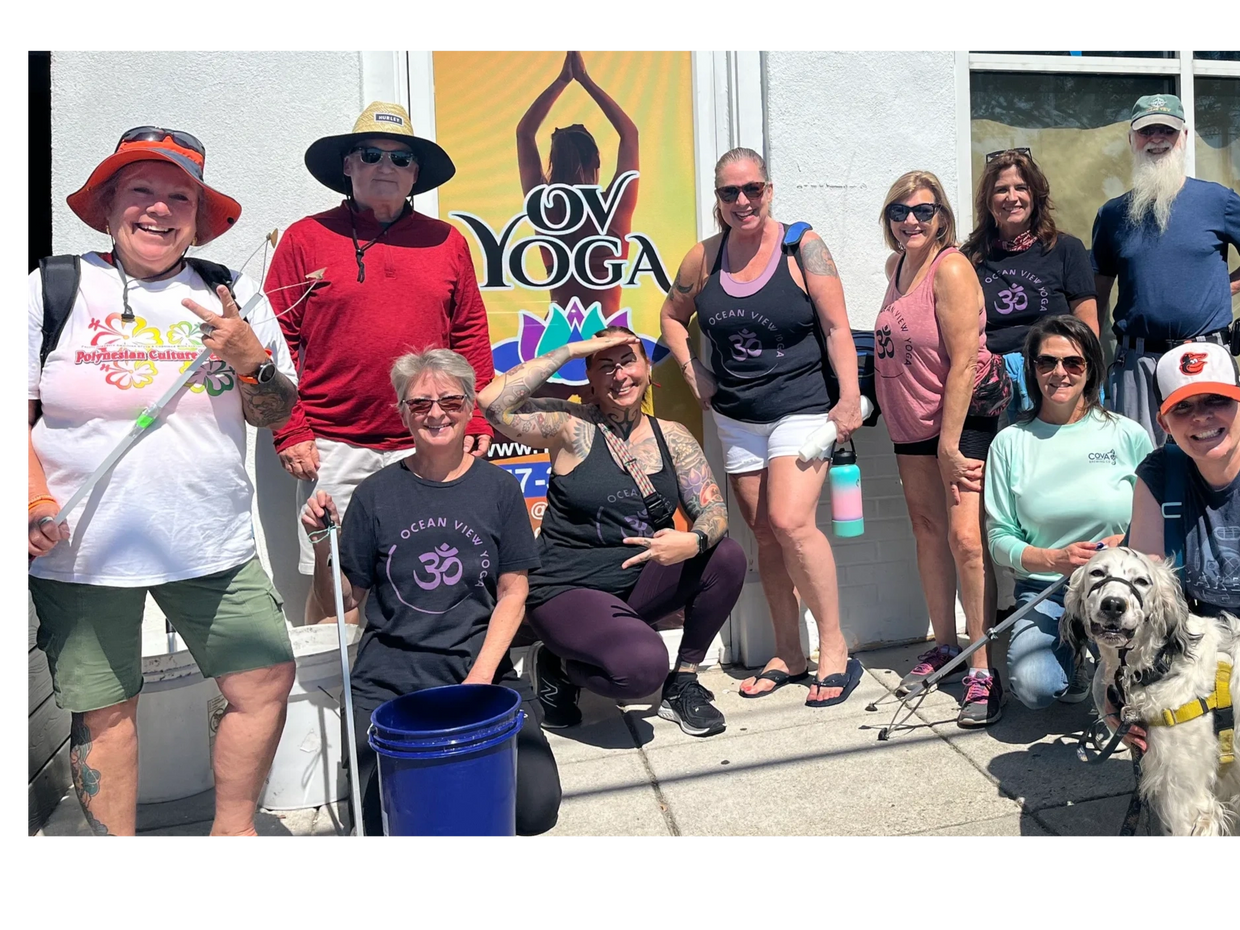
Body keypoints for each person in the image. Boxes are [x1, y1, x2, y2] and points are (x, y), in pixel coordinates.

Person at [25, 127, 299, 839]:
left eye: (179, 195)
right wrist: (33, 501)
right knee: (106, 711)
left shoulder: (230, 292)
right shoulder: (54, 288)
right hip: (80, 547)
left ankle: (231, 831)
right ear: (109, 205)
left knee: (264, 680)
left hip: (210, 539)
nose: (158, 209)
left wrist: (250, 358)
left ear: (198, 216)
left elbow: (273, 411)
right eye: (140, 190)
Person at [301, 350, 561, 839]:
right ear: (402, 412)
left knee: (535, 807)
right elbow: (345, 602)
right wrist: (321, 547)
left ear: (469, 409)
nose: (436, 414)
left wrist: (481, 681)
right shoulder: (374, 495)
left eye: (450, 401)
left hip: (477, 668)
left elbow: (513, 592)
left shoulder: (500, 489)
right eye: (420, 404)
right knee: (382, 822)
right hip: (389, 680)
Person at [267, 102, 495, 625]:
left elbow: (469, 335)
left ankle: (412, 695)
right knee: (338, 589)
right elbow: (272, 345)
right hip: (332, 443)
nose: (385, 166)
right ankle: (338, 705)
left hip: (428, 440)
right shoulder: (305, 238)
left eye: (400, 158)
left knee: (426, 579)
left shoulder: (447, 241)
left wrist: (476, 415)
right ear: (348, 165)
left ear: (416, 173)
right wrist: (290, 430)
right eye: (370, 155)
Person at [660, 147, 866, 708]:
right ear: (718, 200)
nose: (742, 201)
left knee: (791, 521)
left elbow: (837, 328)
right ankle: (787, 651)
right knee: (767, 534)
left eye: (752, 189)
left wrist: (849, 398)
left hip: (802, 406)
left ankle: (835, 648)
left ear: (769, 190)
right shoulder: (703, 259)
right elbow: (671, 318)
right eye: (730, 193)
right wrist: (692, 368)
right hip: (735, 416)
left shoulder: (803, 247)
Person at [477, 328, 745, 736]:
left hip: (637, 583)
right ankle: (560, 665)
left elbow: (712, 509)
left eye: (627, 362)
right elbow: (493, 404)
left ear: (647, 369)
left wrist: (692, 541)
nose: (619, 375)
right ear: (590, 378)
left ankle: (684, 681)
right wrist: (572, 349)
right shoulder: (569, 426)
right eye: (606, 365)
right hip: (567, 589)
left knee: (725, 557)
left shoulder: (671, 435)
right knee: (641, 670)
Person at [874, 171, 1012, 728]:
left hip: (959, 420)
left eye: (923, 211)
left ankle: (981, 666)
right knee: (928, 532)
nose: (911, 220)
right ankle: (945, 645)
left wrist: (951, 443)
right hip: (909, 423)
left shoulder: (951, 268)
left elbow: (962, 361)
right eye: (899, 212)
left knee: (966, 540)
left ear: (942, 218)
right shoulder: (895, 267)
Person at [984, 316, 1152, 710]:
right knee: (1035, 688)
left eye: (1073, 363)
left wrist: (1126, 543)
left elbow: (1157, 514)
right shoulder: (1010, 443)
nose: (1059, 373)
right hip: (1047, 589)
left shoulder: (1128, 435)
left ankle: (1105, 658)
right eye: (1047, 362)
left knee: (1148, 683)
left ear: (1091, 368)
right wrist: (1052, 559)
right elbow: (998, 538)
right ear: (1033, 369)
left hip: (1121, 588)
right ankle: (1075, 654)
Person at [1107, 342, 1239, 753]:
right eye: (1183, 407)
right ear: (1164, 422)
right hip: (1197, 650)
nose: (1201, 416)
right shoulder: (1159, 475)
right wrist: (1115, 685)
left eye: (1217, 400)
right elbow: (1143, 601)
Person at [1091, 94, 1240, 446]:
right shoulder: (1112, 215)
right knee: (1143, 466)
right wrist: (1089, 364)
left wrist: (1225, 286)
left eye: (1167, 130)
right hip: (1137, 364)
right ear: (1132, 140)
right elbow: (1094, 294)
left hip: (1205, 357)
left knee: (1214, 459)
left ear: (1184, 137)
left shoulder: (1218, 201)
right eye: (1147, 131)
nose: (1156, 138)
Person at [961, 149, 1098, 417]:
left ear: (1035, 195)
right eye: (1001, 190)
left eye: (1021, 188)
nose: (1012, 198)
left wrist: (1081, 377)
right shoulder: (970, 258)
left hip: (1054, 376)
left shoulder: (1066, 249)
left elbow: (1087, 326)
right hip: (991, 384)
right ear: (988, 201)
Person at [517, 47, 639, 318]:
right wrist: (584, 80)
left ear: (553, 163)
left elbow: (525, 133)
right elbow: (629, 134)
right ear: (596, 161)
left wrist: (562, 81)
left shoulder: (545, 208)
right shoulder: (614, 208)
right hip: (606, 334)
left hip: (559, 331)